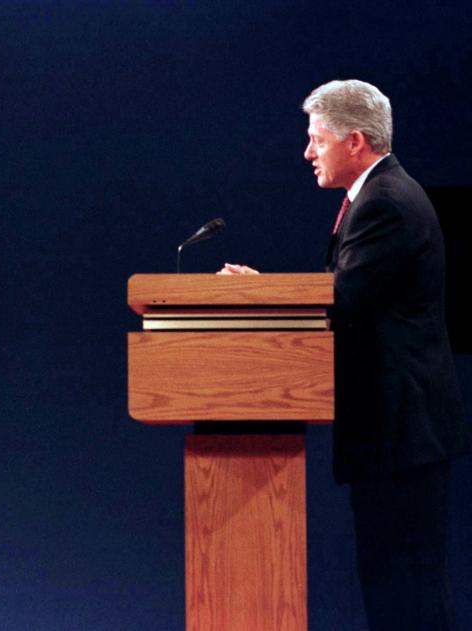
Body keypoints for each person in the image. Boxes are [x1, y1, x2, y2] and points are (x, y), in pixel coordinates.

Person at [222, 80, 470, 629]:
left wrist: (263, 293)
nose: (308, 152)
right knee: (399, 586)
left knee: (408, 592)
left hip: (402, 430)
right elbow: (349, 287)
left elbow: (343, 297)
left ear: (354, 141)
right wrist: (270, 290)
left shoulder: (384, 201)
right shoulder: (379, 195)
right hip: (399, 431)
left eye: (317, 139)